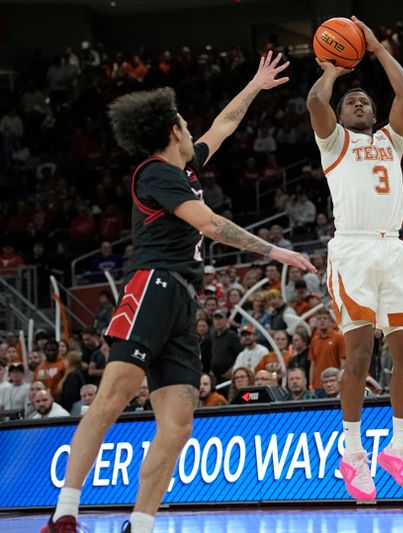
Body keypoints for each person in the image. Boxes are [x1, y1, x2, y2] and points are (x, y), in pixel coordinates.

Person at [43, 54, 316, 533]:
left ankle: (141, 525)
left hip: (183, 299)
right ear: (173, 131)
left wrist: (255, 85)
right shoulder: (154, 173)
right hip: (153, 285)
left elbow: (224, 125)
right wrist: (276, 251)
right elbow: (208, 224)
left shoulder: (185, 170)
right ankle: (64, 515)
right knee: (112, 397)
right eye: (187, 126)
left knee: (179, 421)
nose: (194, 131)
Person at [307, 16, 403, 502]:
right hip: (352, 247)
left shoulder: (389, 142)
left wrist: (375, 49)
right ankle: (352, 452)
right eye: (351, 101)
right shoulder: (333, 142)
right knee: (360, 353)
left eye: (365, 101)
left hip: (392, 247)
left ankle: (398, 448)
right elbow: (316, 101)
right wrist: (332, 68)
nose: (360, 102)